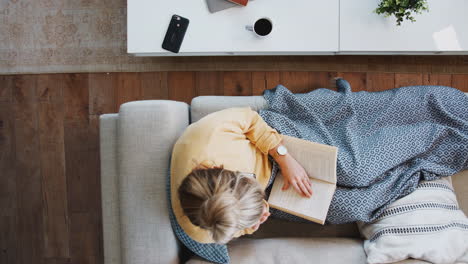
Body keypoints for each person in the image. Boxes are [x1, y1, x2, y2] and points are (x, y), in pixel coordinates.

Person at [170, 106, 313, 245]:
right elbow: (236, 226)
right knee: (328, 207)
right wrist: (254, 219)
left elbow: (251, 119)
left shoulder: (210, 133)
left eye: (248, 182)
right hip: (269, 197)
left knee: (335, 161)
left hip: (269, 146)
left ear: (217, 168)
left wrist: (282, 156)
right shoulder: (207, 231)